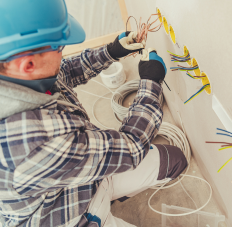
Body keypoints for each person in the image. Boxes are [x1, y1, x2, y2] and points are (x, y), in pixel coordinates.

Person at [0, 0, 187, 226]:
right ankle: (99, 213)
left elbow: (64, 71)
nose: (63, 53)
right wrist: (150, 83)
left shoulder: (17, 77)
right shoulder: (32, 143)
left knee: (176, 161)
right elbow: (132, 146)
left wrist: (111, 51)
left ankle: (112, 192)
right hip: (67, 214)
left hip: (84, 170)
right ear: (28, 64)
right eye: (59, 48)